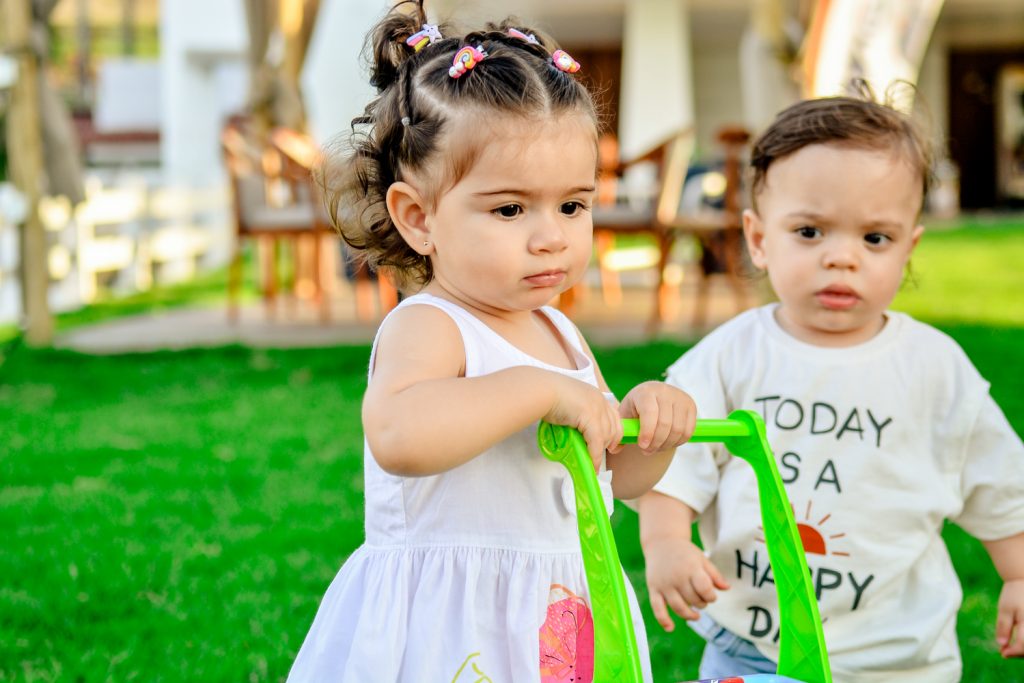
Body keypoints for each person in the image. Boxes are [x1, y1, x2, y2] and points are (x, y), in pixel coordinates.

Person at [287, 3, 697, 681]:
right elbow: (399, 434)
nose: (550, 235)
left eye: (573, 205)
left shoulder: (559, 334)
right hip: (454, 620)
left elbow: (610, 476)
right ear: (418, 218)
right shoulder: (432, 325)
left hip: (554, 614)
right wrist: (534, 390)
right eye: (510, 208)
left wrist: (651, 431)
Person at [637, 92, 1024, 682]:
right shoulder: (732, 355)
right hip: (752, 648)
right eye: (811, 231)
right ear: (760, 239)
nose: (842, 258)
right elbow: (673, 461)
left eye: (875, 239)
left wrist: (1019, 575)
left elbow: (1002, 487)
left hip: (896, 658)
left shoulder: (934, 369)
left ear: (909, 248)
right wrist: (666, 542)